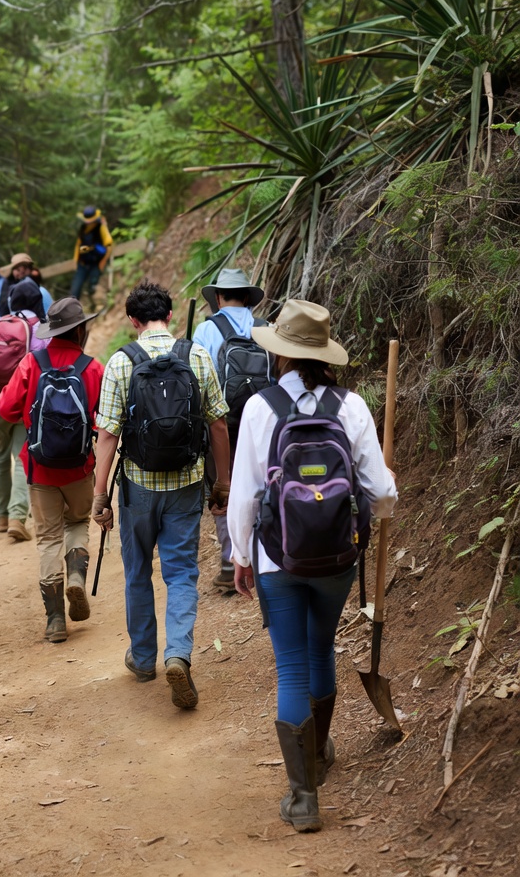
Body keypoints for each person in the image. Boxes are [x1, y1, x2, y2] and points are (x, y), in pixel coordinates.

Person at [228, 299, 397, 833]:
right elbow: (381, 491)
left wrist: (240, 554)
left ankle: (303, 796)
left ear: (280, 354)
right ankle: (319, 755)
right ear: (325, 355)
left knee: (292, 665)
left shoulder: (260, 408)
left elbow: (246, 496)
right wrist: (379, 511)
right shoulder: (351, 407)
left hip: (277, 557)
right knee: (321, 648)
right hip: (337, 558)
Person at [91, 280, 231, 710]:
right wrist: (221, 483)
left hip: (136, 488)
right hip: (186, 486)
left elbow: (108, 434)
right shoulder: (197, 356)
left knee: (137, 572)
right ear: (169, 316)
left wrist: (99, 496)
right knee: (182, 573)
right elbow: (219, 425)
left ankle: (145, 657)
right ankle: (179, 655)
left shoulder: (121, 362)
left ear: (133, 321)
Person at [0, 297, 104, 642]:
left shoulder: (32, 363)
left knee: (47, 539)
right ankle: (76, 574)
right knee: (77, 523)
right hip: (80, 468)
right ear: (81, 330)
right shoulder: (92, 368)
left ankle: (56, 620)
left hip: (40, 469)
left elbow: (6, 408)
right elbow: (106, 420)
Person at [192, 267, 267, 592]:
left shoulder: (206, 330)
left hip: (221, 423)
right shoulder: (266, 329)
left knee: (223, 485)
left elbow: (196, 381)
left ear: (219, 297)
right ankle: (264, 555)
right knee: (263, 483)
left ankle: (228, 560)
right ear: (248, 298)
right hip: (263, 418)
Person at [0, 278, 48, 543]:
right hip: (22, 403)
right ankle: (19, 517)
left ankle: (1, 516)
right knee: (22, 459)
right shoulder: (40, 328)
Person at [71, 206, 113, 300]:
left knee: (92, 288)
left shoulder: (101, 227)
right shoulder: (82, 229)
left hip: (95, 264)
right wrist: (75, 260)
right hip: (82, 264)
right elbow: (78, 245)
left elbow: (109, 245)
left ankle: (93, 306)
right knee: (75, 290)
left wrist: (102, 263)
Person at [0, 252, 34, 318]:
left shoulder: (31, 282)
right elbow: (2, 308)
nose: (21, 272)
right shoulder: (7, 284)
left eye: (25, 268)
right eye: (17, 269)